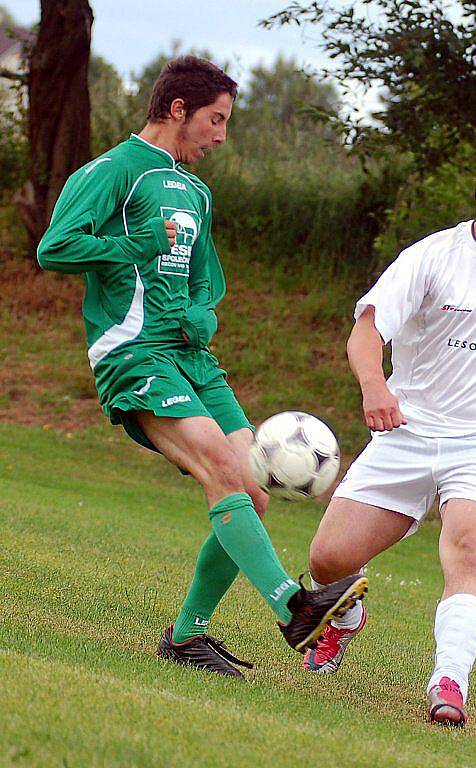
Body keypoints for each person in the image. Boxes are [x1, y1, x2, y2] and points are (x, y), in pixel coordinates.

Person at [37, 55, 367, 680]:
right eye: (215, 120)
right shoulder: (113, 171)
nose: (221, 135)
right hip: (133, 353)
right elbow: (55, 248)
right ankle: (294, 609)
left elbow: (205, 279)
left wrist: (201, 312)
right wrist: (131, 248)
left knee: (252, 492)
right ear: (178, 109)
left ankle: (188, 636)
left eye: (227, 123)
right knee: (221, 468)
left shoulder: (195, 191)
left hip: (193, 360)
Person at [302, 138, 476, 726]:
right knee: (326, 561)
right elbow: (367, 330)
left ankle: (448, 682)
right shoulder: (432, 255)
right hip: (408, 428)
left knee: (471, 549)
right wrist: (375, 389)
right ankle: (347, 614)